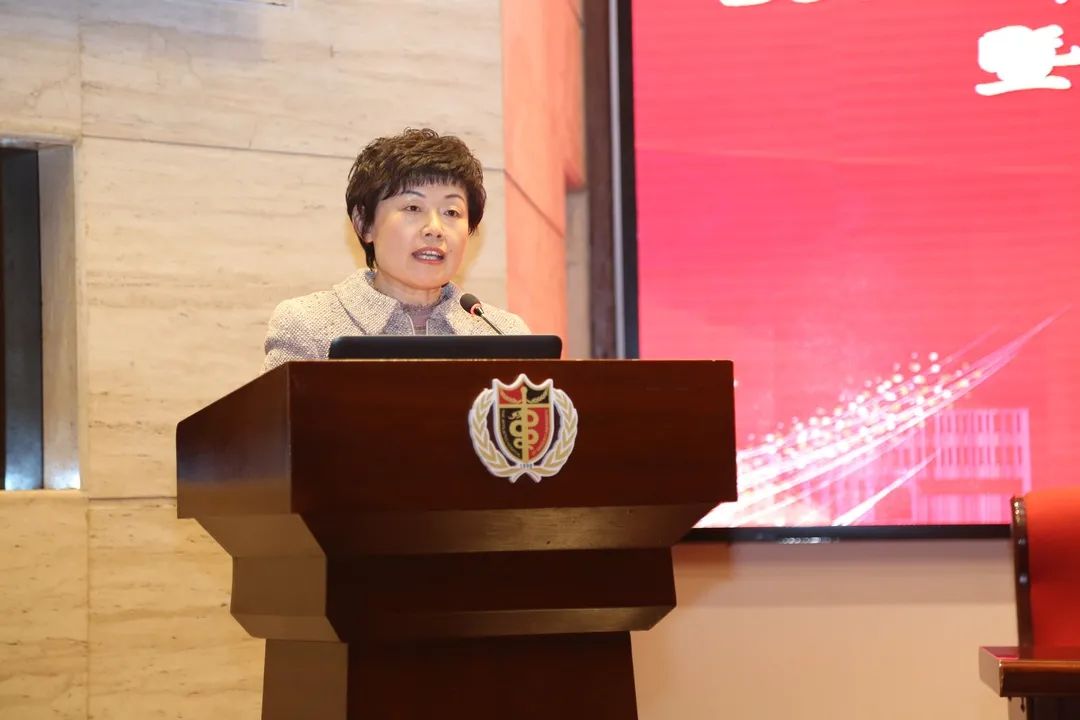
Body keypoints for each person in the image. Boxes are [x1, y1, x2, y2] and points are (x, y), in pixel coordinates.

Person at [262, 128, 529, 372]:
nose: (435, 229)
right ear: (364, 223)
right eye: (413, 208)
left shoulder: (505, 335)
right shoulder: (309, 325)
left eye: (451, 212)